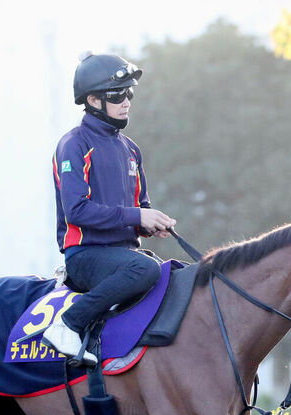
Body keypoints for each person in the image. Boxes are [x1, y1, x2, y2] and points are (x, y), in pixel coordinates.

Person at [42, 52, 176, 365]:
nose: (127, 101)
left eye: (130, 93)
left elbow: (139, 207)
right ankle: (67, 324)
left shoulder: (131, 149)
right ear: (93, 100)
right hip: (86, 256)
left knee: (175, 273)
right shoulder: (73, 144)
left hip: (124, 256)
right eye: (118, 95)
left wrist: (150, 223)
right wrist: (137, 216)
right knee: (146, 269)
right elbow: (76, 211)